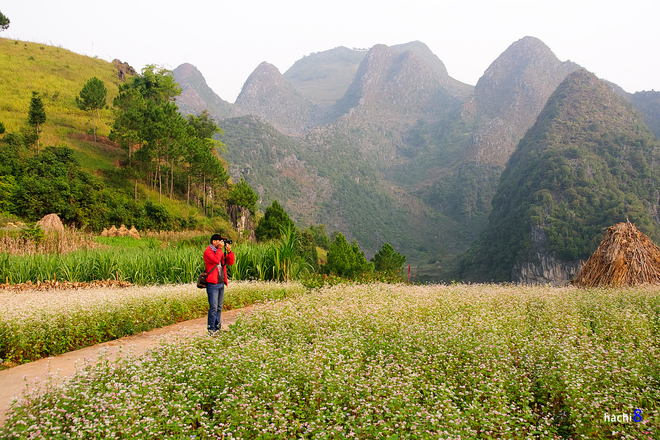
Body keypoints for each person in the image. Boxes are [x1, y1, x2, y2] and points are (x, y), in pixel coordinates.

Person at [203, 234, 235, 334]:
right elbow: (216, 260)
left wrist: (229, 251)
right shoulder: (208, 252)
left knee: (219, 307)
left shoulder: (219, 252)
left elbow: (230, 262)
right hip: (212, 283)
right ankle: (211, 328)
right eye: (220, 241)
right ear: (214, 241)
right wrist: (220, 249)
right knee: (213, 307)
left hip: (221, 282)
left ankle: (217, 328)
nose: (221, 243)